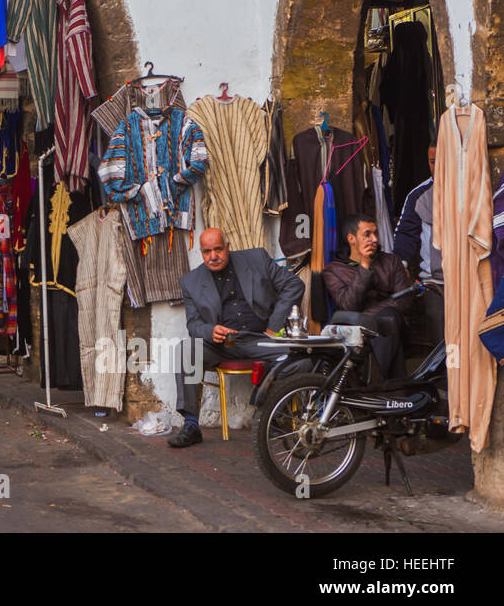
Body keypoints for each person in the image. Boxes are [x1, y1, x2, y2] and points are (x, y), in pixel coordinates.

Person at [169, 228, 303, 448]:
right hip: (221, 345)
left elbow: (294, 284)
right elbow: (193, 324)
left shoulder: (256, 258)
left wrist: (273, 326)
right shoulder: (191, 282)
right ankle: (191, 424)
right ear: (201, 253)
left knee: (300, 357)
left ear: (228, 247)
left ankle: (273, 411)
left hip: (260, 339)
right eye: (207, 251)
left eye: (218, 249)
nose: (213, 256)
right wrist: (210, 331)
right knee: (186, 350)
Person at [323, 213, 413, 382]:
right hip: (355, 332)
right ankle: (392, 391)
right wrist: (364, 266)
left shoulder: (391, 261)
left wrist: (367, 317)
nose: (373, 239)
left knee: (389, 317)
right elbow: (348, 306)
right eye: (367, 234)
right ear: (352, 239)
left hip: (390, 327)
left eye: (375, 234)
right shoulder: (334, 270)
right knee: (388, 323)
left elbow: (405, 301)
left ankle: (374, 383)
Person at [392, 146, 445, 347]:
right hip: (434, 283)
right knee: (441, 344)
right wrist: (401, 266)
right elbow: (406, 234)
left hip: (468, 280)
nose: (437, 166)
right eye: (432, 161)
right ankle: (445, 379)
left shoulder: (470, 189)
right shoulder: (418, 195)